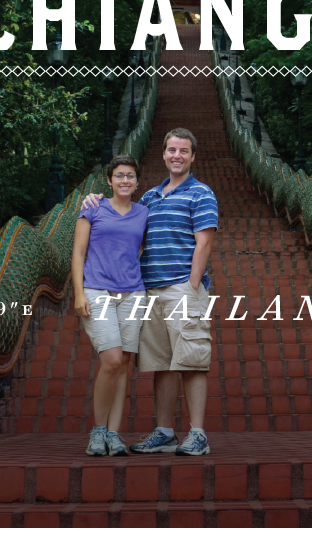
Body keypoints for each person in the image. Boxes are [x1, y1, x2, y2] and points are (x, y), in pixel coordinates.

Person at [82, 128, 217, 456]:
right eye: (172, 149)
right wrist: (94, 199)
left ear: (193, 157)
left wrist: (192, 285)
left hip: (182, 288)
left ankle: (197, 433)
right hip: (148, 290)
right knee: (163, 363)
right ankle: (165, 432)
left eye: (184, 151)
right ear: (163, 154)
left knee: (192, 359)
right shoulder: (151, 198)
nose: (177, 156)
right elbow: (123, 220)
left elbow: (205, 242)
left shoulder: (201, 193)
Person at [71, 155, 150, 457]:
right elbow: (78, 254)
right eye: (119, 175)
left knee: (124, 364)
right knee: (112, 360)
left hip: (133, 293)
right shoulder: (92, 208)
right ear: (109, 180)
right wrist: (79, 294)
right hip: (97, 289)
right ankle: (98, 430)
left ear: (137, 181)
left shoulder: (144, 212)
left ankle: (114, 434)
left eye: (130, 176)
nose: (125, 181)